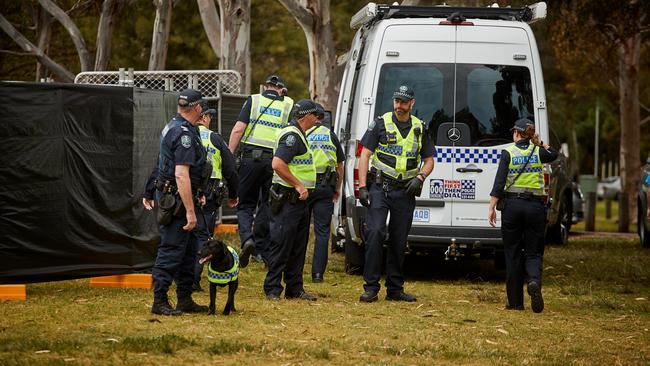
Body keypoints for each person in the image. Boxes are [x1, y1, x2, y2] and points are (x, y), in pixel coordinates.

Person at [357, 85, 435, 303]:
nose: (399, 106)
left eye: (403, 102)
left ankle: (395, 289)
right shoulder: (381, 123)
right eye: (396, 101)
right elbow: (365, 155)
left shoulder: (420, 127)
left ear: (412, 103)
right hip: (380, 188)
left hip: (405, 191)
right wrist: (362, 187)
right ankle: (371, 288)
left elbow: (429, 159)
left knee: (399, 240)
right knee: (375, 233)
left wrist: (420, 177)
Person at [488, 118, 558, 313]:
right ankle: (534, 281)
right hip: (535, 207)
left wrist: (492, 207)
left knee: (513, 253)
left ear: (517, 134)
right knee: (534, 252)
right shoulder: (538, 152)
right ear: (529, 135)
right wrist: (540, 142)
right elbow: (554, 154)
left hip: (512, 207)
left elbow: (499, 183)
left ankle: (515, 302)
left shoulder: (508, 152)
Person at [150, 89, 210, 316]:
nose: (203, 110)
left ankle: (185, 299)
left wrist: (198, 193)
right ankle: (160, 301)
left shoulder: (176, 127)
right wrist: (191, 211)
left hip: (183, 196)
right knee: (171, 250)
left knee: (189, 252)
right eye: (201, 107)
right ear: (197, 108)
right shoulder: (183, 134)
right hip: (177, 202)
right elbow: (181, 174)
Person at [228, 75, 294, 265]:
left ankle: (247, 239)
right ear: (281, 89)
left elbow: (238, 129)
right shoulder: (288, 104)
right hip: (274, 161)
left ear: (266, 86)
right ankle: (262, 249)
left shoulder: (254, 100)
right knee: (267, 204)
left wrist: (230, 156)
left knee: (245, 204)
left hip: (250, 160)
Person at [264, 99, 319, 301]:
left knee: (297, 246)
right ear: (307, 116)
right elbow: (277, 163)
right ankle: (272, 288)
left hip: (298, 202)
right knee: (282, 244)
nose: (317, 119)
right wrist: (298, 184)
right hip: (289, 199)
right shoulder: (292, 136)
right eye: (315, 115)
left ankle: (294, 289)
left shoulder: (298, 133)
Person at [193, 101, 248, 292]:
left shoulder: (180, 133)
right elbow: (231, 170)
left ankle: (180, 277)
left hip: (183, 191)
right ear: (205, 117)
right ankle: (193, 280)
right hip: (208, 194)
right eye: (210, 116)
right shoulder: (214, 138)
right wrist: (233, 195)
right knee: (203, 236)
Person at [306, 103, 345, 283]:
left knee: (300, 229)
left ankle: (294, 269)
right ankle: (318, 274)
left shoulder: (302, 133)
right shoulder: (331, 135)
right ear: (323, 119)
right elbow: (340, 165)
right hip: (324, 187)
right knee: (322, 232)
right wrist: (337, 188)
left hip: (304, 186)